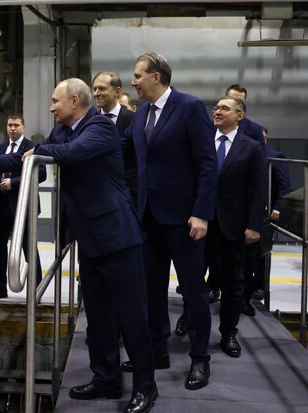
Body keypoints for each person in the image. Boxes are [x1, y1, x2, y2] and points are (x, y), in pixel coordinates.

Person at [0, 78, 157, 413]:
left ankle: (145, 386)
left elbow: (71, 154)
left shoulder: (99, 127)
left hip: (117, 236)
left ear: (73, 100)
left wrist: (37, 150)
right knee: (97, 316)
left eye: (55, 102)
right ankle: (106, 378)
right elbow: (29, 157)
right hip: (90, 238)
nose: (51, 108)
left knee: (131, 315)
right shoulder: (63, 131)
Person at [120, 52, 217, 391]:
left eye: (137, 76)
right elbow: (123, 150)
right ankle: (157, 350)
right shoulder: (140, 114)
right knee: (151, 291)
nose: (132, 82)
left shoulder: (189, 107)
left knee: (194, 292)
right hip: (148, 218)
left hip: (186, 220)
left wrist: (202, 212)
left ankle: (200, 359)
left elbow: (208, 164)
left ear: (156, 77)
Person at [207, 96, 266, 357]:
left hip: (234, 226)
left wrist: (255, 225)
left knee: (233, 283)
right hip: (201, 224)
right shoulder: (203, 143)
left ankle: (229, 332)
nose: (217, 112)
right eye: (216, 108)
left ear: (239, 116)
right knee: (193, 280)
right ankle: (189, 319)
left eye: (224, 109)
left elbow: (258, 190)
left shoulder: (251, 147)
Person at [0, 115, 46, 300]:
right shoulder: (1, 148)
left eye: (16, 125)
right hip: (1, 206)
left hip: (24, 206)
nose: (12, 128)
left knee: (29, 248)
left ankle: (35, 291)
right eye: (10, 125)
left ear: (23, 127)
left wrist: (14, 182)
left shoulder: (31, 147)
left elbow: (41, 174)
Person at [242, 128, 291, 313]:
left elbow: (284, 185)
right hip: (244, 212)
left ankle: (259, 286)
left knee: (261, 253)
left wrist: (277, 207)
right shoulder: (243, 153)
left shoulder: (275, 156)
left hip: (265, 213)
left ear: (265, 137)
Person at [93, 71, 138, 207]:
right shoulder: (89, 121)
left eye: (102, 88)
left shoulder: (134, 119)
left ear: (117, 92)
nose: (96, 93)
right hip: (97, 195)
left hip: (129, 195)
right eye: (94, 89)